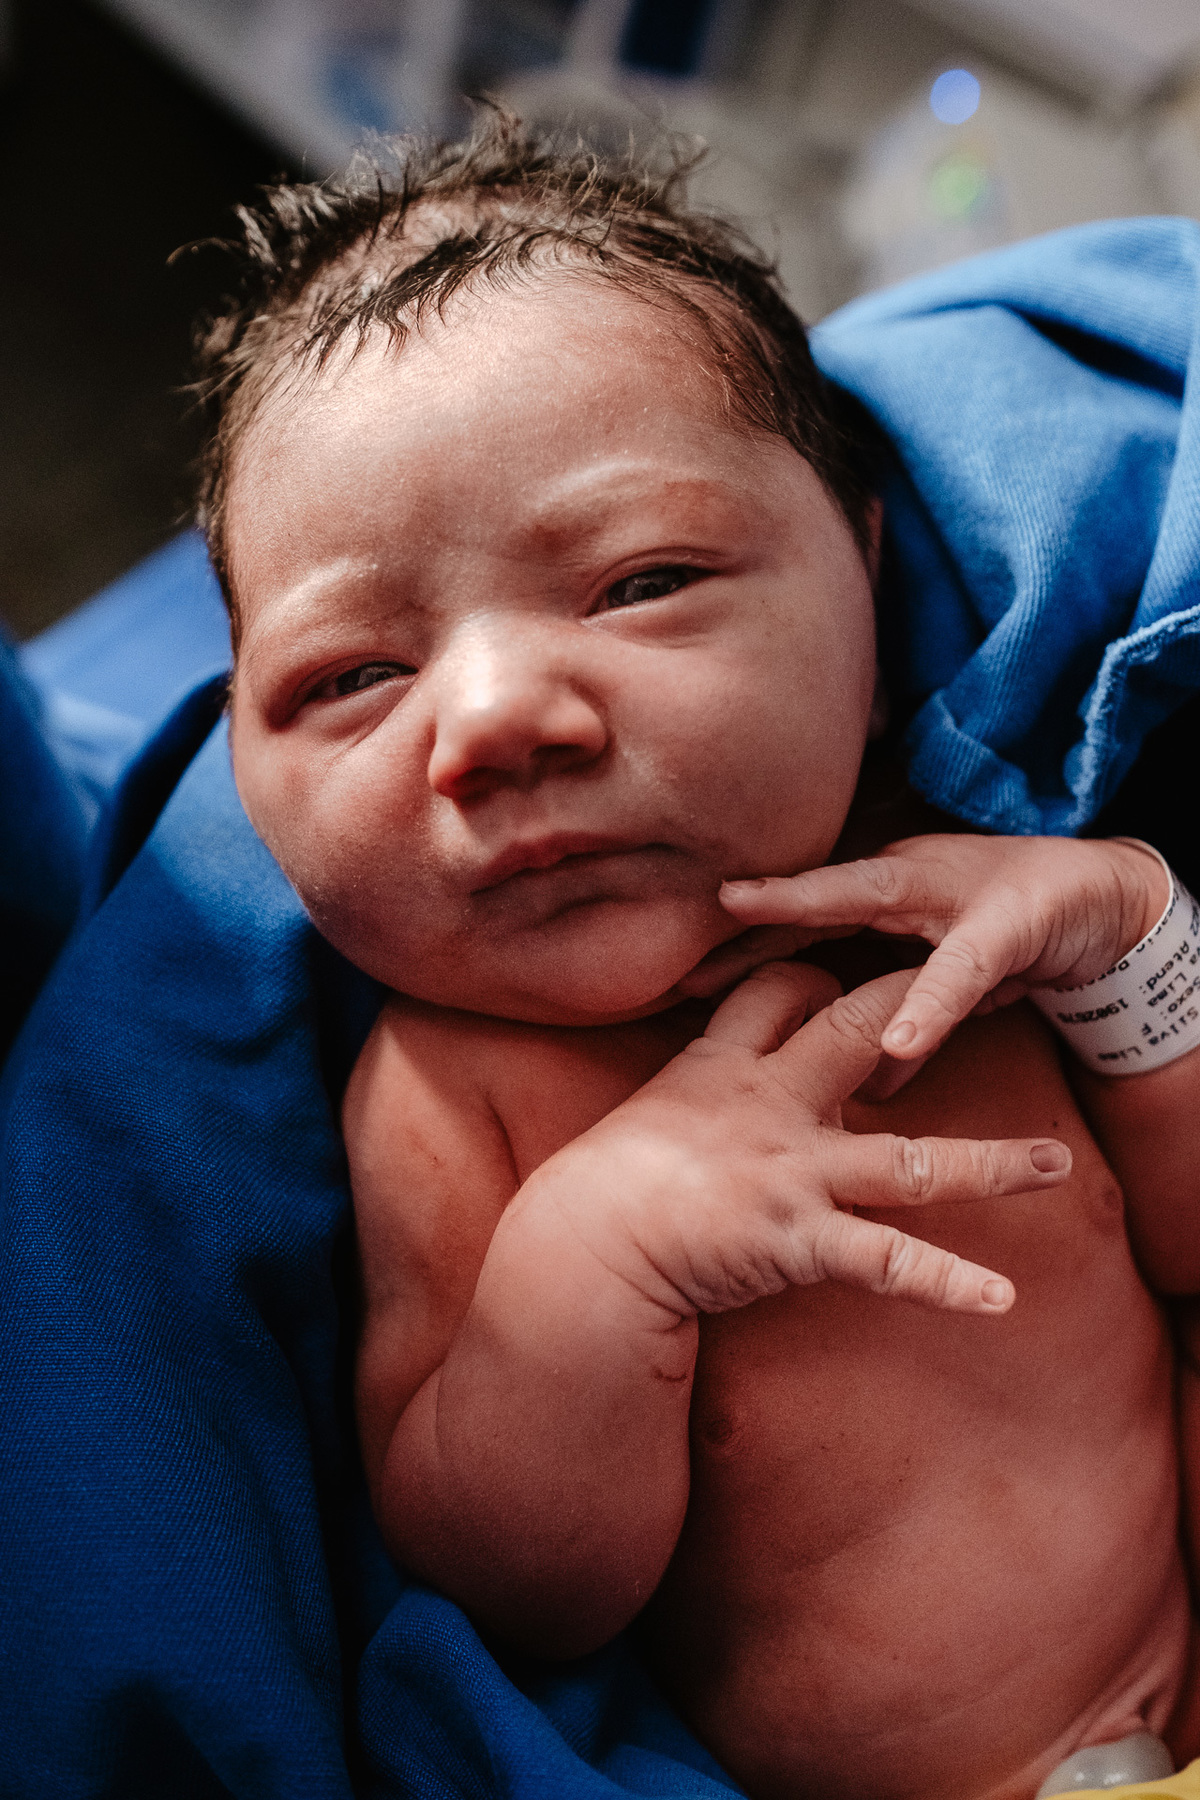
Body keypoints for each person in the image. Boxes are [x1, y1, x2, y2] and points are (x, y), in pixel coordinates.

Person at [199, 110, 1200, 1800]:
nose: (498, 719)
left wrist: (1137, 953)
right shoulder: (461, 1094)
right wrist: (596, 1266)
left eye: (642, 579)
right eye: (350, 678)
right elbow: (517, 1592)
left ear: (865, 577)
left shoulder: (957, 898)